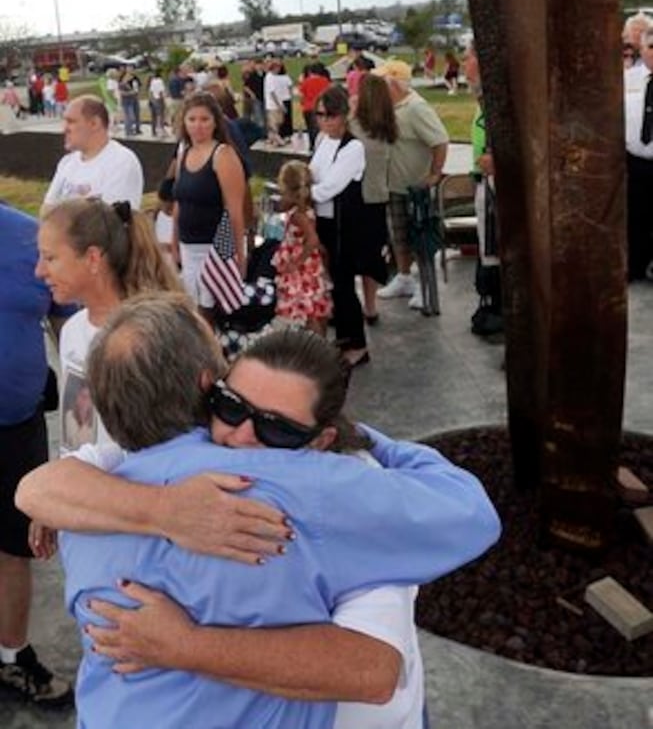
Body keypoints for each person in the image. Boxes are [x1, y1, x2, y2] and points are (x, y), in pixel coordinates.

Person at [17, 295, 500, 729]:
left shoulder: (81, 503)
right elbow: (470, 513)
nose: (248, 438)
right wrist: (364, 440)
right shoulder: (315, 487)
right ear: (210, 385)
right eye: (231, 405)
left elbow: (33, 489)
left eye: (279, 429)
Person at [36, 196, 182, 457]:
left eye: (50, 258)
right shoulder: (72, 329)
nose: (39, 271)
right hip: (79, 484)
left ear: (92, 258)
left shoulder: (144, 338)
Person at [0, 203, 73, 708]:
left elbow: (71, 323)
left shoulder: (32, 239)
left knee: (14, 550)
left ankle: (12, 656)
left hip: (16, 427)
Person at [375, 60, 449, 310]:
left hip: (415, 187)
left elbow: (440, 141)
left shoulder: (416, 108)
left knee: (419, 239)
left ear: (393, 84)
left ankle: (423, 284)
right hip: (393, 185)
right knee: (399, 236)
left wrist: (435, 174)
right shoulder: (389, 108)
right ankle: (404, 277)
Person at [310, 84, 368, 367]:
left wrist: (303, 192)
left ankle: (357, 343)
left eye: (329, 115)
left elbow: (329, 186)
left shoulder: (353, 147)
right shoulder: (323, 140)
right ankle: (343, 336)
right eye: (319, 115)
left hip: (344, 224)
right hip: (322, 220)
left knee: (344, 284)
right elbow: (314, 175)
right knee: (331, 283)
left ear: (343, 116)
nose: (324, 121)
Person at [172, 91, 247, 312]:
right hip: (188, 245)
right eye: (192, 119)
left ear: (215, 122)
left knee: (211, 311)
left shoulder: (223, 154)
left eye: (204, 119)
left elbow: (234, 210)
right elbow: (179, 201)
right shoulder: (183, 152)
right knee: (193, 308)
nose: (198, 126)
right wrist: (174, 240)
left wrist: (239, 256)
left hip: (214, 248)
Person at [42, 95, 143, 213]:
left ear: (94, 123)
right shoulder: (67, 162)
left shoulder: (121, 161)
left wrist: (61, 216)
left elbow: (109, 221)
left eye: (71, 121)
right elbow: (46, 211)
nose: (64, 128)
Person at [350, 74, 397, 325]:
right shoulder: (388, 129)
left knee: (348, 254)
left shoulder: (354, 126)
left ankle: (349, 303)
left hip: (354, 197)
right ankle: (371, 306)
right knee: (371, 256)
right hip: (378, 195)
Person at [463, 43, 503, 337]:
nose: (465, 65)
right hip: (484, 183)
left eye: (468, 58)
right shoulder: (482, 100)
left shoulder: (498, 100)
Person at [272, 160, 332, 334]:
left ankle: (317, 348)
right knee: (316, 306)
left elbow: (313, 240)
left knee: (308, 311)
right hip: (311, 265)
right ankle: (323, 347)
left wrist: (297, 262)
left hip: (302, 269)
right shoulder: (307, 209)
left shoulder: (298, 215)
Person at [624, 29, 653, 280]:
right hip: (635, 159)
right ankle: (635, 266)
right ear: (641, 49)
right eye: (650, 46)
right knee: (635, 216)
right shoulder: (627, 79)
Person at [298, 63, 331, 149]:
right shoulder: (325, 81)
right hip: (320, 107)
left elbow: (301, 96)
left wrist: (303, 103)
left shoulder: (305, 81)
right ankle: (321, 145)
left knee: (310, 128)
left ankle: (312, 145)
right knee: (321, 128)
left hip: (308, 108)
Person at [263, 59, 286, 146]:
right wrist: (279, 105)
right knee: (274, 123)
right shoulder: (270, 78)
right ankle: (276, 139)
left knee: (278, 122)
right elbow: (272, 93)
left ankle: (272, 138)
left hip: (276, 103)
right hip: (272, 105)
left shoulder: (274, 77)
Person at [118, 66, 141, 135]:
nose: (130, 71)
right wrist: (130, 92)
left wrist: (136, 92)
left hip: (134, 98)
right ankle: (128, 130)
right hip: (127, 100)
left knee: (136, 114)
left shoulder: (135, 78)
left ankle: (137, 129)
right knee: (129, 116)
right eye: (129, 69)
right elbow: (121, 92)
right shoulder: (122, 80)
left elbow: (138, 87)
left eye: (132, 69)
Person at [147, 68, 167, 137]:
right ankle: (160, 130)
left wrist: (151, 100)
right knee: (160, 116)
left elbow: (150, 92)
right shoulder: (160, 81)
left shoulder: (152, 81)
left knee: (154, 116)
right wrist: (164, 100)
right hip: (159, 99)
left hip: (153, 99)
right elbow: (161, 92)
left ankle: (153, 131)